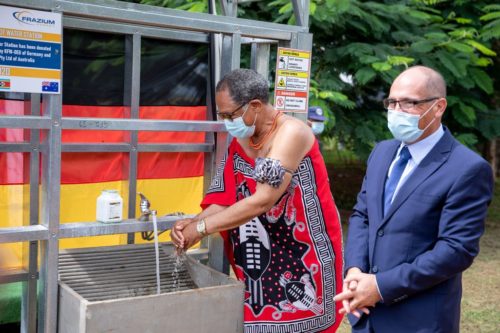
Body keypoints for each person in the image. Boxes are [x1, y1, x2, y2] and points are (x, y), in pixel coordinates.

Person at [171, 68, 344, 332]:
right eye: (223, 116)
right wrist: (191, 226)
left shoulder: (291, 133)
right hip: (260, 254)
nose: (228, 122)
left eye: (231, 115)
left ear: (255, 105)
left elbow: (263, 200)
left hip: (301, 255)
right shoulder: (241, 139)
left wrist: (203, 229)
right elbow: (226, 197)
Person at [334, 65, 494, 332]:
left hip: (419, 320)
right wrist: (354, 272)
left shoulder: (467, 168)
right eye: (392, 102)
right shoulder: (382, 152)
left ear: (439, 107)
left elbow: (456, 250)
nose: (397, 111)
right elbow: (363, 215)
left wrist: (381, 286)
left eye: (409, 103)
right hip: (366, 315)